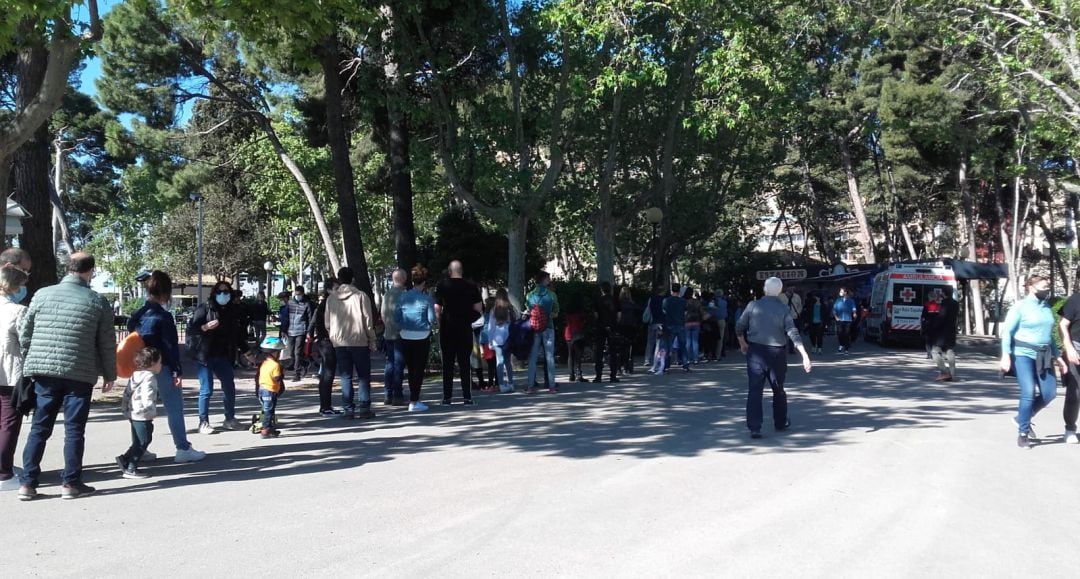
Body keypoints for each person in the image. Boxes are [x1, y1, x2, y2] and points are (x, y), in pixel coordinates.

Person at [17, 253, 116, 501]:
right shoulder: (97, 302)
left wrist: (30, 361)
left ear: (68, 269)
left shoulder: (41, 294)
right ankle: (70, 483)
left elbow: (25, 332)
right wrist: (109, 374)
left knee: (40, 427)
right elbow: (106, 342)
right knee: (74, 429)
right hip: (79, 372)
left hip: (44, 372)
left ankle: (28, 483)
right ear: (90, 271)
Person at [127, 271, 205, 463]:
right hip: (161, 366)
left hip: (140, 367)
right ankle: (182, 447)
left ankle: (140, 448)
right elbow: (170, 347)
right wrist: (177, 370)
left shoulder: (138, 314)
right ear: (166, 292)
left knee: (140, 408)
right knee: (174, 408)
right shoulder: (163, 317)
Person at [735, 277, 813, 439]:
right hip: (776, 353)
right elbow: (792, 331)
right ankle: (780, 421)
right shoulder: (783, 309)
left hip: (755, 351)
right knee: (778, 389)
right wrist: (804, 354)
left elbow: (739, 326)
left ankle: (755, 427)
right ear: (780, 291)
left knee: (754, 390)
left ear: (765, 289)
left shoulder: (752, 305)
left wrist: (742, 343)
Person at [1001, 275, 1067, 449]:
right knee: (1028, 392)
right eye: (1043, 287)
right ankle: (1023, 433)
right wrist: (1006, 355)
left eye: (1048, 287)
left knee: (1049, 393)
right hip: (1023, 354)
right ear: (1031, 287)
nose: (1047, 290)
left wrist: (1058, 357)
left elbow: (1049, 336)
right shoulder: (1020, 307)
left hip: (1044, 354)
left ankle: (1020, 418)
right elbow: (1007, 332)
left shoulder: (1046, 307)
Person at [189, 280, 255, 435]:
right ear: (214, 293)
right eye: (220, 291)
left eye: (226, 292)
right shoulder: (204, 308)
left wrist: (247, 352)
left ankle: (230, 419)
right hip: (204, 355)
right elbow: (192, 329)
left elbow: (237, 335)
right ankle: (203, 422)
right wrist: (204, 327)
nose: (223, 295)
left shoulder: (232, 312)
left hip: (223, 355)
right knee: (207, 389)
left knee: (229, 386)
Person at [326, 267, 378, 419]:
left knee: (345, 376)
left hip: (339, 342)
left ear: (339, 279)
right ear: (353, 279)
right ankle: (364, 407)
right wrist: (372, 339)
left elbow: (327, 322)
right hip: (359, 340)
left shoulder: (331, 298)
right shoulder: (361, 296)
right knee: (363, 376)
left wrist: (333, 336)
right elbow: (367, 320)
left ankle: (348, 408)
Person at [434, 261, 483, 405]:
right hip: (464, 328)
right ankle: (467, 396)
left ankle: (447, 397)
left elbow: (437, 308)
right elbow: (478, 307)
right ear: (462, 271)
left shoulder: (442, 285)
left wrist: (440, 323)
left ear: (449, 271)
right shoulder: (471, 286)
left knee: (447, 364)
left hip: (447, 328)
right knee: (464, 363)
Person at [0, 264, 28, 490]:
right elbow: (26, 342)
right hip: (8, 372)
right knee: (9, 421)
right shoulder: (17, 311)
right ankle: (3, 473)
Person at [116, 347, 163, 479]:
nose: (161, 365)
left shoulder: (136, 375)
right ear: (152, 364)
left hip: (133, 412)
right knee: (144, 440)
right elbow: (147, 395)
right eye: (160, 362)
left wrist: (125, 408)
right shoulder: (150, 378)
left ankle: (125, 459)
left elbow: (127, 393)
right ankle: (131, 468)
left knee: (138, 440)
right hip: (143, 413)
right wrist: (151, 409)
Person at [397, 265, 438, 411]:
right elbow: (432, 319)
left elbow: (397, 317)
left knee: (410, 368)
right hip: (422, 336)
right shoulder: (426, 299)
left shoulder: (403, 297)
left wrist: (405, 325)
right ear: (424, 282)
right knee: (419, 369)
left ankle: (413, 399)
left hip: (405, 335)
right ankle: (414, 400)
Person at [308, 277, 342, 416]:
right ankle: (325, 406)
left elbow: (313, 321)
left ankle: (326, 405)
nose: (338, 291)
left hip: (324, 340)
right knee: (328, 373)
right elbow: (316, 320)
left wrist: (310, 333)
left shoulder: (326, 303)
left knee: (327, 373)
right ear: (329, 290)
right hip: (327, 341)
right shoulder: (328, 303)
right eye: (336, 288)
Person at [525, 271, 560, 394]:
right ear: (544, 279)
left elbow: (529, 309)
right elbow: (556, 311)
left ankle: (530, 385)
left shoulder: (530, 295)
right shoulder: (551, 295)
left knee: (533, 357)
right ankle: (551, 386)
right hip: (548, 327)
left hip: (535, 328)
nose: (549, 281)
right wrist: (549, 315)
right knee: (549, 357)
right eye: (548, 279)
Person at [381, 269, 408, 406]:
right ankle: (398, 394)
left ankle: (388, 394)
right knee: (398, 365)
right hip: (401, 334)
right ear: (403, 279)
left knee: (389, 364)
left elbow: (383, 315)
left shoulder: (387, 295)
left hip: (388, 333)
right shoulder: (404, 295)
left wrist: (388, 326)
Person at [1059, 275, 1080, 444]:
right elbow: (1062, 324)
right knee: (1075, 392)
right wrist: (1069, 347)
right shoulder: (1075, 299)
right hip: (1076, 349)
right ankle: (1070, 429)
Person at [485, 288, 515, 394]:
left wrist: (489, 340)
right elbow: (514, 322)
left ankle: (501, 385)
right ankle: (511, 383)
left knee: (500, 361)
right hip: (508, 337)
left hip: (497, 337)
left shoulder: (494, 309)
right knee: (508, 362)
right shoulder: (510, 308)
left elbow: (490, 327)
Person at [256, 336, 287, 438]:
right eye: (279, 352)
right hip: (270, 390)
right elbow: (276, 379)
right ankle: (265, 429)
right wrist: (282, 374)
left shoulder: (264, 363)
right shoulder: (275, 365)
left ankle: (270, 427)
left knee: (267, 409)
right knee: (269, 410)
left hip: (262, 389)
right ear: (275, 352)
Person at [282, 285, 312, 381]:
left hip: (301, 331)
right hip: (290, 331)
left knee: (297, 352)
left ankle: (297, 373)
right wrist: (283, 329)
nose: (297, 295)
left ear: (303, 294)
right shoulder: (290, 303)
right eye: (296, 294)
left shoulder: (306, 304)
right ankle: (303, 363)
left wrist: (309, 331)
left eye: (299, 294)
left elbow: (310, 318)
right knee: (291, 352)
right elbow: (285, 318)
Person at [928, 292, 959, 381]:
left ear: (944, 294)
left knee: (934, 351)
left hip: (942, 333)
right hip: (952, 331)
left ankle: (945, 372)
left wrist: (933, 326)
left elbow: (942, 318)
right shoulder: (956, 304)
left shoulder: (945, 303)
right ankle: (952, 375)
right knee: (949, 351)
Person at [593, 281, 620, 383]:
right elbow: (619, 315)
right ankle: (613, 375)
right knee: (613, 351)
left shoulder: (597, 300)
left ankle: (598, 376)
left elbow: (596, 315)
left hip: (600, 326)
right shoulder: (615, 300)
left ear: (601, 290)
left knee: (599, 351)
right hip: (612, 326)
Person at [662, 284, 690, 372]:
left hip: (670, 324)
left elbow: (664, 311)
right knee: (683, 345)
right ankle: (685, 364)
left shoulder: (666, 300)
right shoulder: (683, 301)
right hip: (680, 324)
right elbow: (685, 313)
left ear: (672, 290)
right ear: (679, 291)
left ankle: (666, 365)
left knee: (668, 346)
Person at [564, 295, 587, 383]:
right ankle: (579, 374)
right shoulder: (581, 312)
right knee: (578, 355)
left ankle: (571, 375)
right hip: (578, 333)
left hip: (569, 333)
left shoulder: (568, 311)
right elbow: (583, 322)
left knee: (570, 354)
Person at [616, 286, 638, 374]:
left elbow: (618, 316)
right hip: (631, 326)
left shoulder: (619, 304)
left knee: (620, 347)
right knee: (630, 347)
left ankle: (619, 367)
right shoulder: (632, 304)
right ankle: (628, 366)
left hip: (621, 326)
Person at [643, 285, 665, 367]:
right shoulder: (664, 300)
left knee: (650, 342)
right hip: (661, 323)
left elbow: (648, 309)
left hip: (652, 322)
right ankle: (658, 359)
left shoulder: (651, 299)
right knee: (659, 343)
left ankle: (647, 359)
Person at [832, 288, 856, 355]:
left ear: (845, 292)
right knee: (840, 334)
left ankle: (846, 349)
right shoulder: (838, 300)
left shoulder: (851, 301)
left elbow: (854, 308)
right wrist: (836, 316)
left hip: (848, 319)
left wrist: (854, 313)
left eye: (841, 291)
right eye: (840, 291)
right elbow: (834, 309)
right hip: (839, 320)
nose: (840, 293)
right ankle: (841, 344)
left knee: (847, 334)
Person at [684, 288, 703, 365]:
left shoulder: (684, 302)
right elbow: (701, 312)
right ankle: (695, 359)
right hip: (696, 322)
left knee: (688, 341)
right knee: (695, 342)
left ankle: (687, 358)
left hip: (687, 322)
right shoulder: (697, 302)